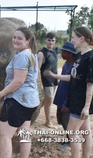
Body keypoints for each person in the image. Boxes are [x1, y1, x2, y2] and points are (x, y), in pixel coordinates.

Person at [44, 26, 93, 158]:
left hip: (81, 101)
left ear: (81, 38)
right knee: (85, 131)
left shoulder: (90, 58)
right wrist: (55, 76)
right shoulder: (79, 56)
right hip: (75, 99)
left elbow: (90, 84)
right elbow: (73, 77)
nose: (72, 41)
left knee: (72, 131)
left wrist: (86, 107)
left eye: (73, 37)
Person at [0, 26, 40, 158]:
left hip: (18, 100)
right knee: (24, 132)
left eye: (20, 38)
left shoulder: (22, 56)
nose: (15, 40)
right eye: (14, 37)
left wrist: (1, 94)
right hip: (30, 101)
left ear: (28, 40)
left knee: (4, 135)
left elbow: (18, 81)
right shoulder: (32, 54)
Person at [53, 41, 76, 151]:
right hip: (61, 97)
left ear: (71, 53)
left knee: (67, 123)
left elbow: (72, 88)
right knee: (62, 121)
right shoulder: (66, 63)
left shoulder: (74, 67)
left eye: (64, 52)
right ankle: (68, 139)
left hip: (67, 100)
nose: (62, 53)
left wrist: (66, 103)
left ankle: (70, 144)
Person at [38, 32, 58, 128]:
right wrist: (40, 83)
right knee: (49, 101)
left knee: (46, 100)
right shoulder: (42, 53)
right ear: (45, 40)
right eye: (49, 40)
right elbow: (37, 69)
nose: (51, 42)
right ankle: (48, 121)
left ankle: (32, 113)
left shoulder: (55, 51)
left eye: (52, 40)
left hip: (53, 80)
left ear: (55, 41)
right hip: (46, 81)